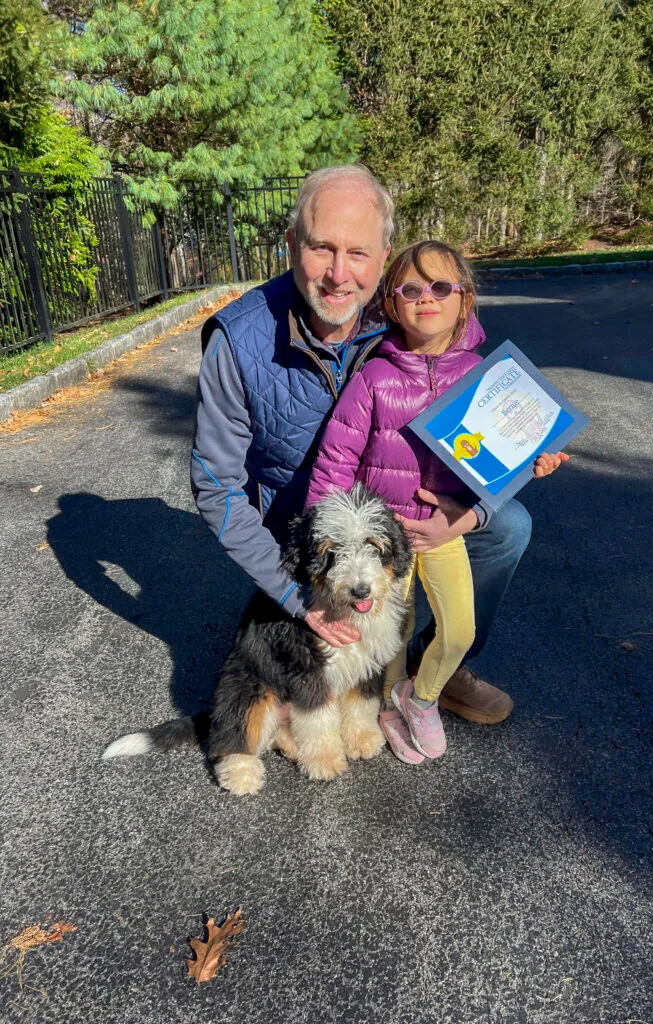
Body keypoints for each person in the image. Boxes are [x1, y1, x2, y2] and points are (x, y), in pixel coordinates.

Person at [191, 164, 565, 729]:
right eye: (321, 248)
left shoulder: (400, 312)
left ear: (384, 254)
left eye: (360, 253)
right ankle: (342, 664)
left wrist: (509, 468)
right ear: (292, 244)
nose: (340, 274)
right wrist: (297, 596)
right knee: (295, 652)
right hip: (303, 525)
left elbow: (476, 383)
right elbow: (217, 489)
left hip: (402, 509)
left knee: (507, 526)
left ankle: (439, 661)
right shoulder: (236, 342)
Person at [305, 240, 568, 763]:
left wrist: (535, 463)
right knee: (390, 635)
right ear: (392, 303)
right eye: (411, 289)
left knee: (460, 628)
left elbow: (508, 463)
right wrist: (318, 553)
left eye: (441, 287)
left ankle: (420, 699)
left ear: (464, 300)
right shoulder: (375, 378)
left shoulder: (490, 380)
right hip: (386, 543)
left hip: (446, 531)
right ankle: (386, 700)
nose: (427, 298)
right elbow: (334, 465)